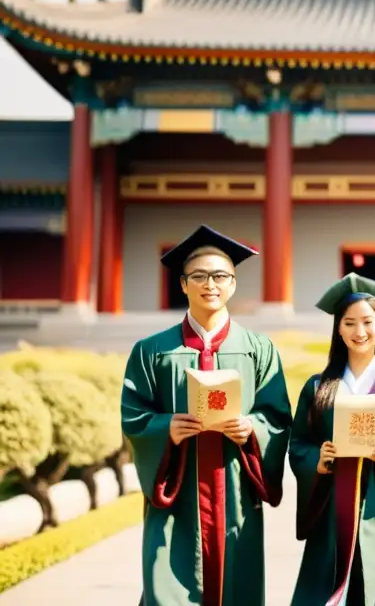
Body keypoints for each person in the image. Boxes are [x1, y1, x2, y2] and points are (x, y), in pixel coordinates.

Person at [120, 225, 292, 606]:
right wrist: (168, 429)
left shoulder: (258, 349)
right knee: (169, 589)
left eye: (220, 276)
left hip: (234, 491)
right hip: (179, 496)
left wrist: (252, 428)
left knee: (237, 586)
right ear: (183, 284)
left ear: (232, 284)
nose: (209, 284)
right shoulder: (152, 351)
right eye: (198, 276)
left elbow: (278, 418)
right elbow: (133, 417)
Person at [288, 273, 375, 606]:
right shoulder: (318, 388)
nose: (359, 332)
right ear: (338, 329)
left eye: (367, 322)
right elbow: (299, 446)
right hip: (330, 512)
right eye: (349, 323)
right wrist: (317, 460)